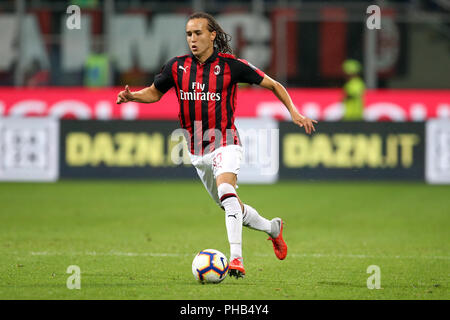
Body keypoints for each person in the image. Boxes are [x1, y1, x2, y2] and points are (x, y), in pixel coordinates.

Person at [116, 12, 317, 278]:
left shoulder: (231, 66)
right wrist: (133, 97)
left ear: (212, 35)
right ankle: (273, 228)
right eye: (189, 34)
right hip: (197, 151)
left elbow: (273, 84)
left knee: (226, 191)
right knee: (231, 205)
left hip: (226, 141)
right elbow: (154, 91)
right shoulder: (177, 67)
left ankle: (236, 259)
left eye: (198, 33)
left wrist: (294, 112)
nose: (192, 39)